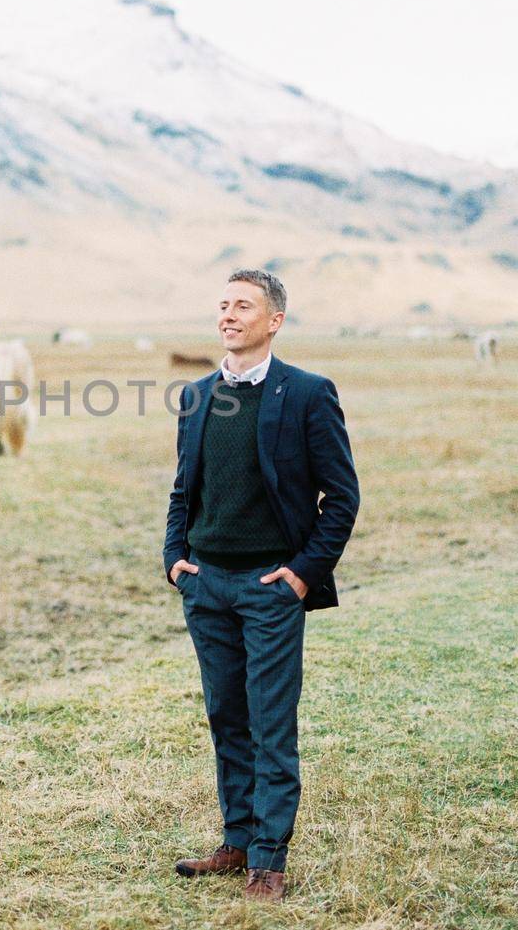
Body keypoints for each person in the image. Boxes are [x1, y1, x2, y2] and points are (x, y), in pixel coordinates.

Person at [163, 268, 360, 901]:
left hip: (271, 588)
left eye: (243, 305)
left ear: (273, 320)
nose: (229, 314)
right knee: (227, 717)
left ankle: (269, 861)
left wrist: (301, 575)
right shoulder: (196, 396)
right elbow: (182, 490)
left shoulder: (305, 393)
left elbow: (342, 497)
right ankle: (237, 840)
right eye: (222, 304)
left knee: (272, 723)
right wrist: (175, 558)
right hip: (207, 587)